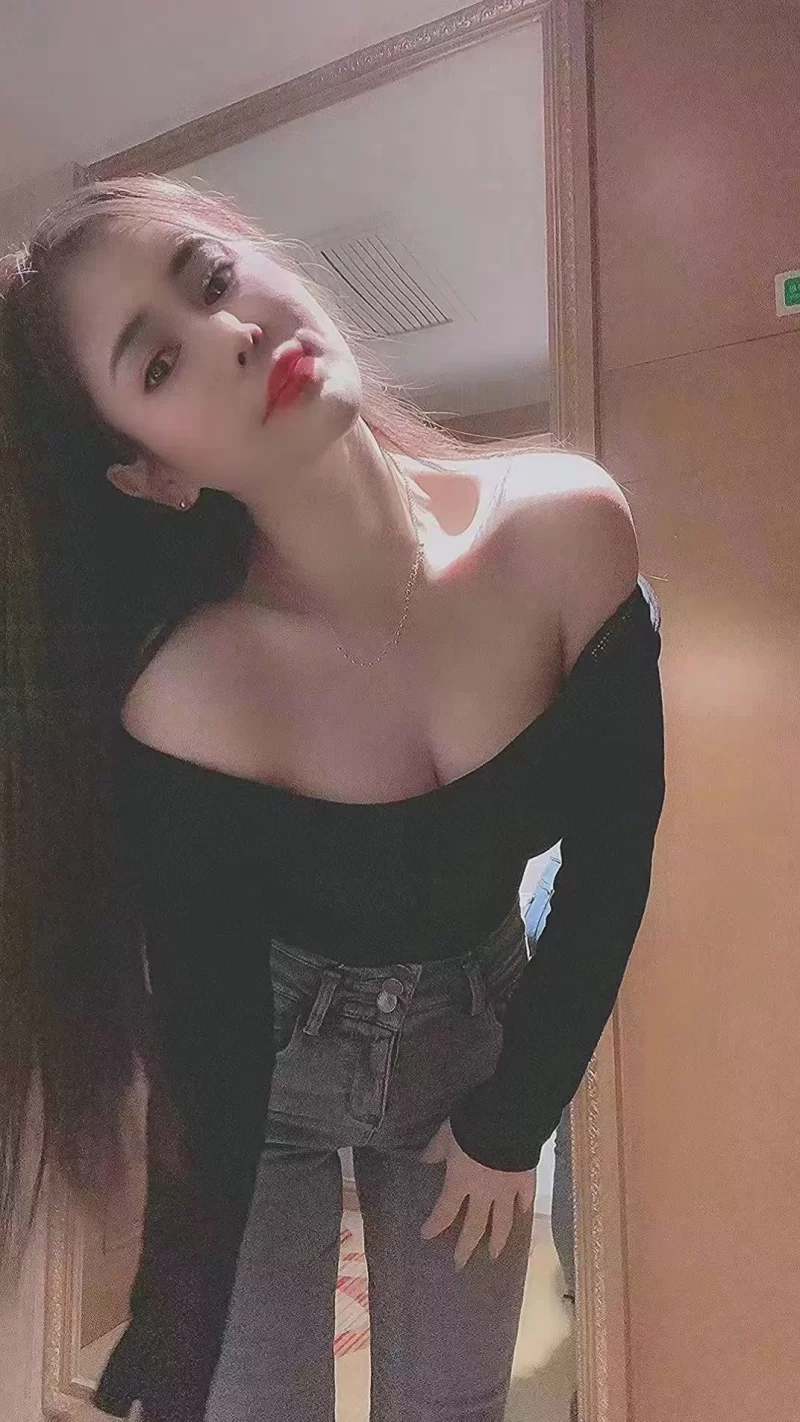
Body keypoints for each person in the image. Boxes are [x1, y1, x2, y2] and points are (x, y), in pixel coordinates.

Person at [0, 175, 665, 1422]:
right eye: (159, 365)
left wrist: (514, 1119)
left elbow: (613, 855)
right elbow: (209, 1051)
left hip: (475, 1027)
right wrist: (165, 1359)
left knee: (454, 1405)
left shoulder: (567, 530)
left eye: (211, 278)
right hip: (272, 1071)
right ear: (152, 476)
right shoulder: (191, 691)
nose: (229, 333)